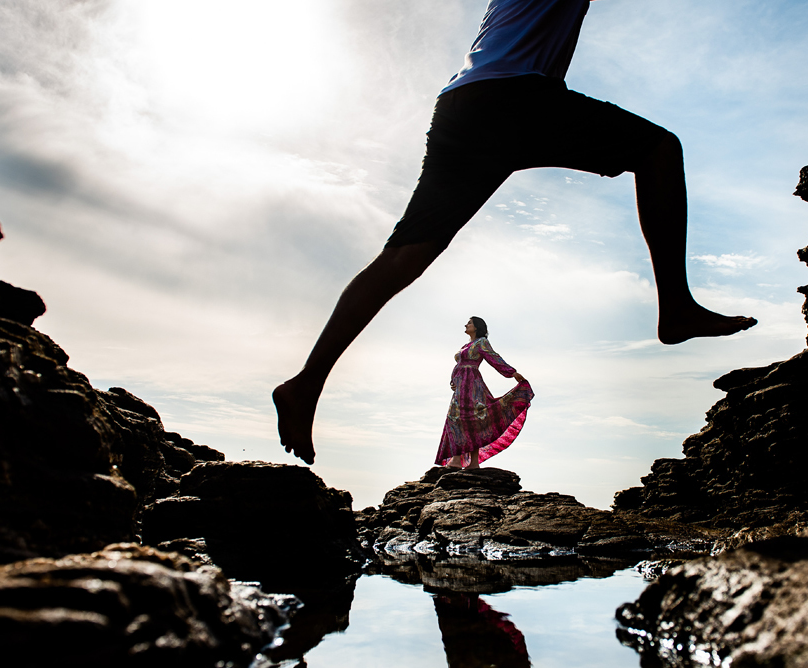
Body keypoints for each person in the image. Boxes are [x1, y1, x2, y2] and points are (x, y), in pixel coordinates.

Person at [274, 0, 757, 465]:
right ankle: (676, 308)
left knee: (403, 256)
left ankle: (306, 382)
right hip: (514, 98)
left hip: (465, 105)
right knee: (657, 149)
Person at [439, 317, 532, 469]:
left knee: (471, 419)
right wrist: (453, 379)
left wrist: (512, 372)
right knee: (456, 418)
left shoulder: (481, 342)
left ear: (476, 327)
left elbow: (494, 357)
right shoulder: (466, 345)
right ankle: (460, 460)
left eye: (469, 323)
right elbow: (460, 364)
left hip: (471, 385)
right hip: (460, 387)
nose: (466, 324)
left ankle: (469, 462)